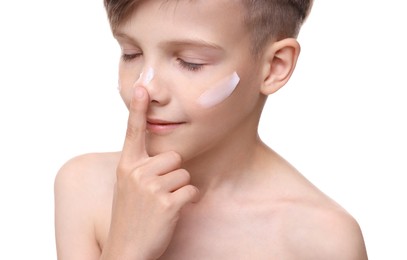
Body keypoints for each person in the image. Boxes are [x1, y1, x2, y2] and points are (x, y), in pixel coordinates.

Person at [54, 0, 368, 259]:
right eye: (131, 53)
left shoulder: (322, 240)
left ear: (274, 67)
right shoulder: (86, 187)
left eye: (191, 62)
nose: (145, 88)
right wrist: (126, 248)